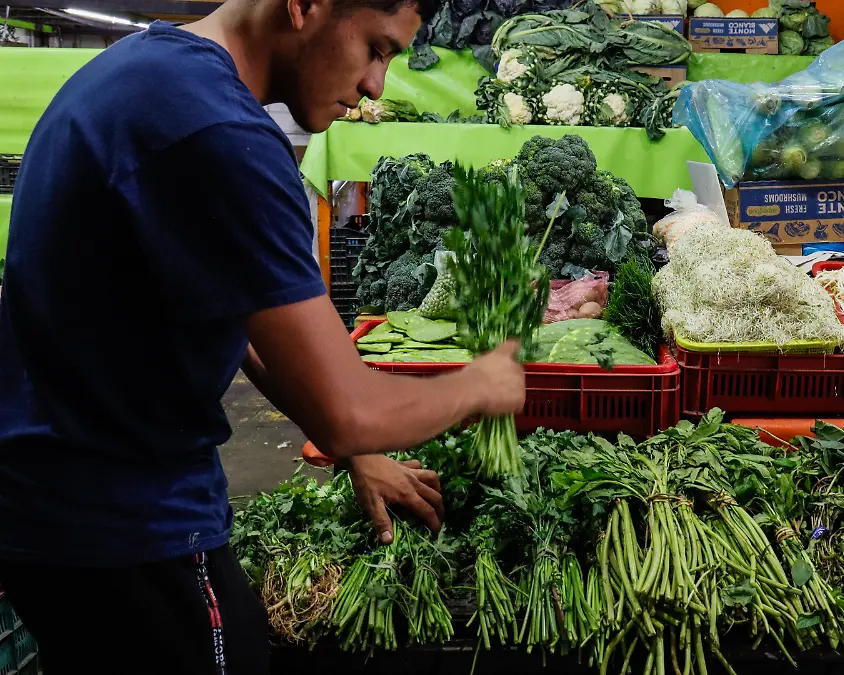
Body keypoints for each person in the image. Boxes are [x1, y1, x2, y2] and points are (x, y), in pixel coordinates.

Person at [0, 0, 524, 672]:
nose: (376, 85)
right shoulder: (219, 131)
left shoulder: (145, 74)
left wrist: (356, 452)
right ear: (306, 7)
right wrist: (481, 384)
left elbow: (232, 314)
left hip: (47, 508)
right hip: (124, 523)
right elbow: (352, 410)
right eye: (376, 48)